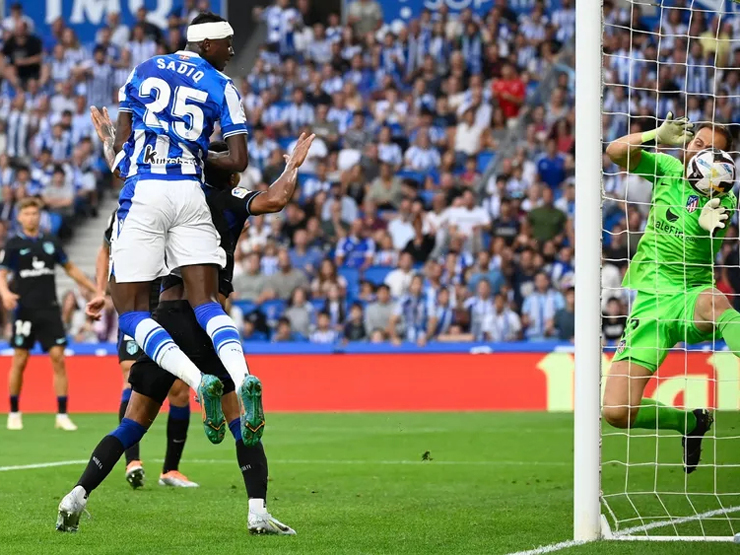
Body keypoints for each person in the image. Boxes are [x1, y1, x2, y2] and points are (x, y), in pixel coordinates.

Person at [56, 113, 314, 535]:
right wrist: (293, 165)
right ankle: (257, 511)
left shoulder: (174, 197)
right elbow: (276, 199)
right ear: (228, 177)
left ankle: (77, 496)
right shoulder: (229, 201)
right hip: (205, 321)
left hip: (162, 321)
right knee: (240, 421)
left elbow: (126, 168)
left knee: (131, 424)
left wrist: (107, 139)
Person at [95, 12, 261, 446]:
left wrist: (110, 147)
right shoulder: (223, 87)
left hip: (146, 190)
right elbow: (239, 161)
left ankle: (193, 379)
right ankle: (243, 377)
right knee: (206, 302)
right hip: (189, 191)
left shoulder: (143, 68)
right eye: (226, 42)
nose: (230, 49)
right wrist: (195, 155)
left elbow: (126, 148)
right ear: (205, 44)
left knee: (130, 310)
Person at [603, 114, 739, 473]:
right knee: (616, 411)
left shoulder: (723, 195)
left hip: (690, 295)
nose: (703, 152)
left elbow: (714, 232)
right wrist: (655, 135)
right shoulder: (666, 167)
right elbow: (615, 152)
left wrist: (713, 222)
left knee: (715, 302)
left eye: (714, 150)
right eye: (698, 144)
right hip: (650, 301)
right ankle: (690, 423)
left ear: (724, 163)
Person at [93, 212, 196, 489]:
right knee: (131, 374)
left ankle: (171, 470)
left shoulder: (176, 206)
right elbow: (105, 251)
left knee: (179, 389)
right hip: (136, 305)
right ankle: (132, 461)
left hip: (171, 305)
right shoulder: (122, 213)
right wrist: (100, 290)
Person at [0, 198, 104, 431]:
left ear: (39, 216)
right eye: (26, 213)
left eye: (34, 213)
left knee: (58, 358)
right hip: (24, 310)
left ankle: (62, 414)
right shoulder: (14, 244)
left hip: (49, 308)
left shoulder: (50, 241)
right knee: (20, 360)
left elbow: (70, 269)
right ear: (19, 217)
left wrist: (94, 289)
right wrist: (5, 292)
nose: (31, 217)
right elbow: (2, 273)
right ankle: (14, 411)